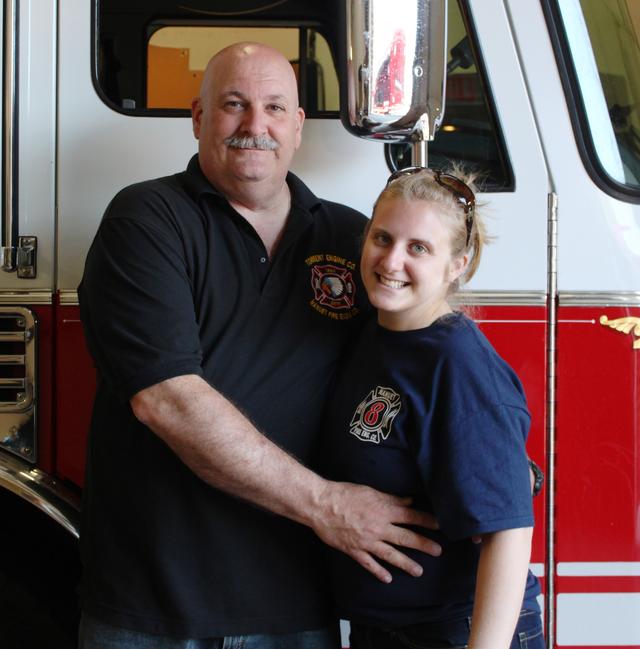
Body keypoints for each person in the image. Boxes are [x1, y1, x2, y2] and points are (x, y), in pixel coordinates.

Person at [77, 43, 441, 649]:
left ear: (298, 127)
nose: (255, 126)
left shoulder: (353, 237)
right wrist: (328, 506)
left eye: (275, 107)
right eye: (233, 105)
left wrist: (483, 447)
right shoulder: (146, 220)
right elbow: (167, 400)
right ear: (198, 117)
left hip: (299, 606)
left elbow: (412, 368)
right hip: (153, 610)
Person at [322, 167, 544, 649]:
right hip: (384, 631)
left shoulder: (457, 364)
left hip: (455, 631)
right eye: (382, 237)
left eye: (418, 248)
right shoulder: (373, 334)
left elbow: (508, 531)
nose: (391, 260)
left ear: (457, 264)